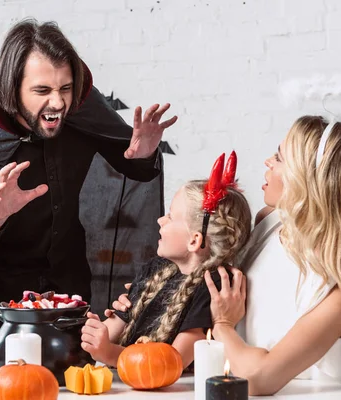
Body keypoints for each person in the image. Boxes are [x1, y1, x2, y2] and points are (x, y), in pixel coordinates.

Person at [0, 18, 178, 363]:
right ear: (12, 88)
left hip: (69, 292)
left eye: (65, 88)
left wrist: (142, 155)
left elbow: (128, 160)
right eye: (42, 91)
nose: (59, 103)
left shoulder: (82, 110)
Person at [203, 116, 341, 395]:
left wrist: (222, 324)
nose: (267, 161)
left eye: (279, 157)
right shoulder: (270, 223)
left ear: (307, 178)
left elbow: (259, 378)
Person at [80, 152, 252, 369]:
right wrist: (95, 334)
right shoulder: (155, 269)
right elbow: (112, 329)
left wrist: (110, 353)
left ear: (194, 240)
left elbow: (174, 363)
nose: (161, 220)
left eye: (170, 216)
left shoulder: (212, 286)